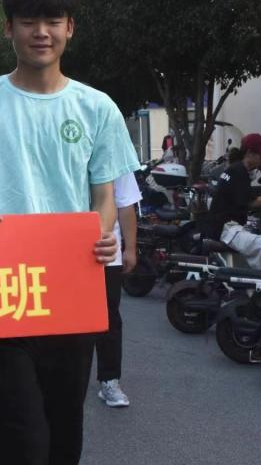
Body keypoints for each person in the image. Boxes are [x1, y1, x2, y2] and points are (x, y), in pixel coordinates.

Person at [0, 0, 137, 465]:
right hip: (5, 289)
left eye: (53, 21)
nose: (41, 32)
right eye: (28, 21)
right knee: (20, 435)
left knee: (65, 430)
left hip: (73, 289)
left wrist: (102, 232)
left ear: (70, 28)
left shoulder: (97, 108)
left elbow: (104, 196)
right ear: (9, 28)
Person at [202, 133, 261, 278]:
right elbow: (250, 203)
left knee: (260, 236)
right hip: (226, 229)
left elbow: (244, 195)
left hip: (222, 226)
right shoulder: (239, 171)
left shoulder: (235, 169)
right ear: (250, 153)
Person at [91, 171, 140, 408]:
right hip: (63, 250)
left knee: (108, 318)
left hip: (106, 254)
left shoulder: (114, 158)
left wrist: (130, 248)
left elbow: (125, 205)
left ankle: (109, 380)